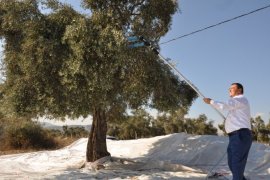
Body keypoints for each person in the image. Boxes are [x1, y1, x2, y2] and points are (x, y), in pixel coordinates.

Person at [203, 83, 252, 180]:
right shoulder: (237, 104)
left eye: (232, 88)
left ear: (239, 90)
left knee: (236, 164)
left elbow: (225, 105)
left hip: (240, 135)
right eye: (229, 89)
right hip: (235, 136)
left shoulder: (240, 99)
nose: (229, 90)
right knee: (232, 163)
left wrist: (211, 101)